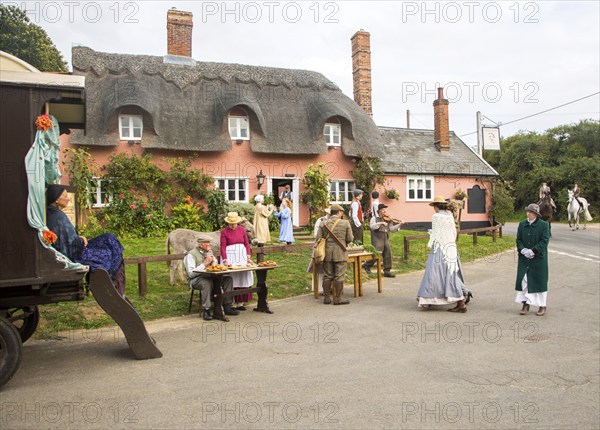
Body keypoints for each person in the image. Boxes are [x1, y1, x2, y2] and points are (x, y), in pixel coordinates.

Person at [45, 184, 126, 296]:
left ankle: (113, 283)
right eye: (65, 196)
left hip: (75, 249)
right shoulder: (58, 217)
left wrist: (80, 238)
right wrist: (82, 240)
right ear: (57, 199)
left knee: (110, 238)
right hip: (77, 253)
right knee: (112, 244)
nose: (68, 198)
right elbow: (70, 245)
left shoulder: (53, 213)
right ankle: (113, 283)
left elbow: (66, 239)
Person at [416, 196, 467, 312]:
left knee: (433, 273)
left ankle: (429, 298)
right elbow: (453, 233)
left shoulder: (436, 216)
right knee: (450, 274)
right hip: (450, 247)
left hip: (439, 248)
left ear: (436, 206)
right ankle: (460, 299)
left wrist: (431, 235)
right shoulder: (450, 216)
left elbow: (436, 235)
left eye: (433, 206)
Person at [184, 235, 239, 321]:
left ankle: (227, 306)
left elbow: (214, 267)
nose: (209, 245)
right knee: (206, 283)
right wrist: (204, 264)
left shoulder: (209, 252)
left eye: (209, 242)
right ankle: (206, 309)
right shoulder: (191, 255)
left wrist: (215, 262)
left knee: (228, 279)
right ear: (201, 244)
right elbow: (191, 274)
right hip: (196, 279)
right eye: (207, 243)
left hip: (211, 277)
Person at [515, 203, 550, 316]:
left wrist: (534, 251)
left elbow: (544, 241)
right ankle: (525, 303)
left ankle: (542, 305)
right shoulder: (522, 224)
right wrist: (523, 250)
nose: (527, 213)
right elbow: (518, 240)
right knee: (524, 281)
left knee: (540, 281)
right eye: (527, 211)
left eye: (530, 212)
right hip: (524, 259)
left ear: (535, 214)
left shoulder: (544, 225)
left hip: (538, 259)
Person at [316, 204, 353, 305]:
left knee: (327, 276)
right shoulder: (345, 223)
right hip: (340, 252)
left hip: (327, 253)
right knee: (339, 276)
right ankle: (338, 298)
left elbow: (318, 238)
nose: (342, 214)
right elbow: (350, 239)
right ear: (338, 212)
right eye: (341, 212)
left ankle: (327, 298)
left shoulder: (323, 223)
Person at [220, 212, 253, 310]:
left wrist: (248, 256)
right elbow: (222, 246)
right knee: (231, 278)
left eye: (234, 224)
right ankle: (231, 301)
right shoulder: (224, 232)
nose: (233, 226)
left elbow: (246, 244)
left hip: (241, 256)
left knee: (242, 276)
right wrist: (225, 259)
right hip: (230, 257)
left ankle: (241, 302)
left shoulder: (242, 230)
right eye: (231, 224)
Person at [362, 204, 402, 278]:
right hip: (377, 238)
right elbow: (372, 226)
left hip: (385, 238)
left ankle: (387, 271)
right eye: (383, 210)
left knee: (388, 253)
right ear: (379, 210)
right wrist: (380, 223)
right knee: (376, 253)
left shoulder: (388, 219)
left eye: (385, 210)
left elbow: (391, 229)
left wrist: (399, 225)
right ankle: (366, 265)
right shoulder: (374, 218)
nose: (385, 211)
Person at [307, 208, 331, 293]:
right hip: (320, 246)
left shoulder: (334, 221)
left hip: (329, 247)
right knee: (318, 266)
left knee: (328, 268)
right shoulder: (320, 220)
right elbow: (316, 234)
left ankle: (328, 288)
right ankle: (319, 289)